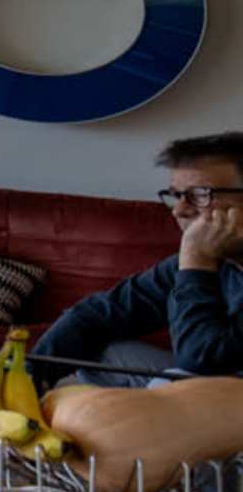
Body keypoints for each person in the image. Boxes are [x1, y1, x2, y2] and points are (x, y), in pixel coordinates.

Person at [37, 133, 243, 377]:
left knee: (176, 382)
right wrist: (26, 377)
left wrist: (197, 261)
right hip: (207, 384)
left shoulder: (199, 257)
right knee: (93, 351)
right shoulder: (210, 258)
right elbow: (95, 315)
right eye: (176, 195)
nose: (178, 210)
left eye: (200, 195)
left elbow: (202, 362)